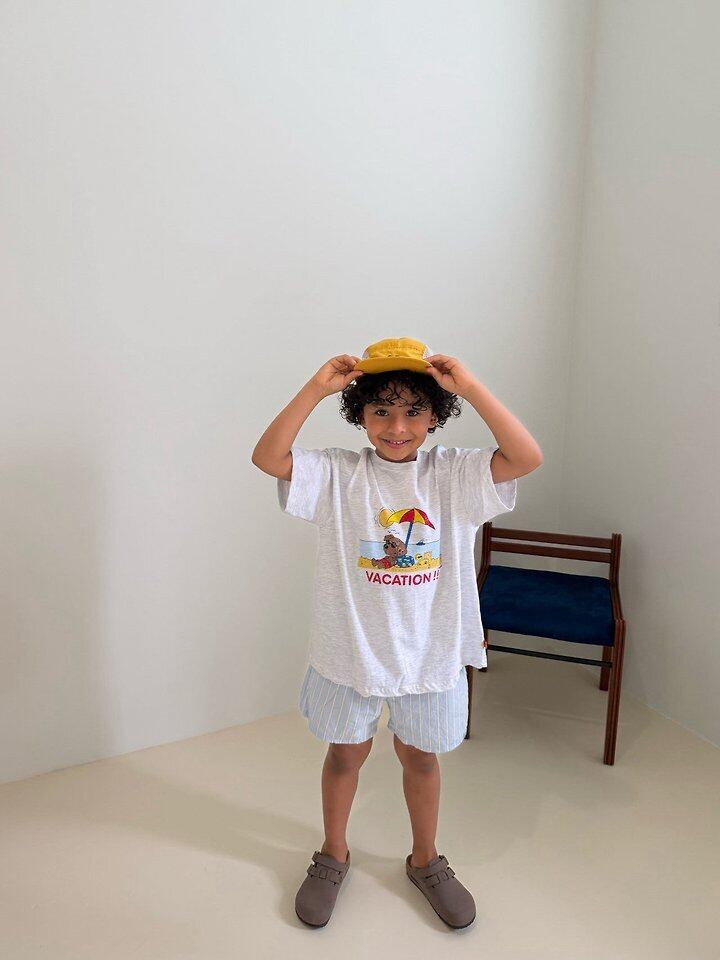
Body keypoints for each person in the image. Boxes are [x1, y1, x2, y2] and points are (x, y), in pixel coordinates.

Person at [251, 337, 543, 929]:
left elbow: (526, 456)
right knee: (345, 754)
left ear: (436, 416)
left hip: (431, 653)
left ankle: (425, 859)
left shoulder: (455, 474)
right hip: (350, 650)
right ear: (360, 415)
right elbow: (269, 458)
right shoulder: (339, 473)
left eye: (414, 410)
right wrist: (315, 388)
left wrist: (470, 386)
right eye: (381, 410)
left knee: (421, 758)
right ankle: (334, 853)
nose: (397, 426)